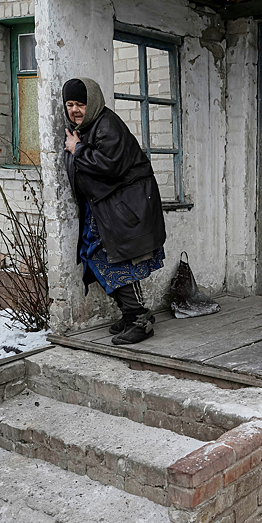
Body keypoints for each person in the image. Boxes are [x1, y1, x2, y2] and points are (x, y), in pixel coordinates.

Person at [63, 78, 166, 345]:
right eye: (70, 104)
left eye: (81, 104)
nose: (75, 110)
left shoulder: (107, 125)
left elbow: (109, 167)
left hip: (124, 208)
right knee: (97, 258)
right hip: (106, 209)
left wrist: (78, 149)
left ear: (93, 103)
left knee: (117, 261)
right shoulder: (86, 128)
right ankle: (132, 314)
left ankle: (139, 320)